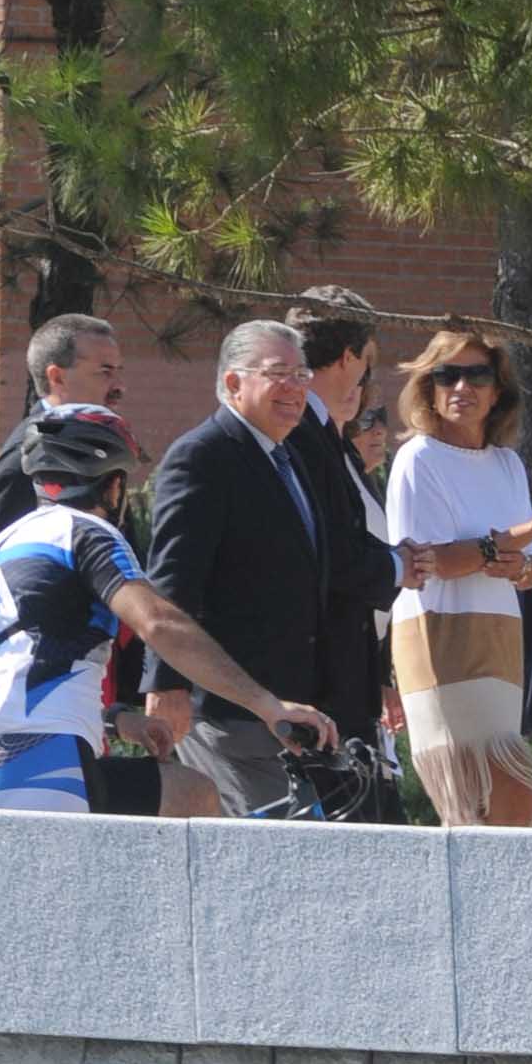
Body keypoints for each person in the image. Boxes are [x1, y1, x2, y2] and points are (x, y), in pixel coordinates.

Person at [0, 403, 334, 815]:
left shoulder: (7, 542)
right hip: (43, 758)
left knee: (191, 793)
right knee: (191, 800)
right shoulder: (88, 533)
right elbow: (158, 623)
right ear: (113, 486)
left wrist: (118, 720)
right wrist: (269, 706)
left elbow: (27, 662)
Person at [145, 322, 338, 820]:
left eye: (302, 374)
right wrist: (167, 683)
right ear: (233, 382)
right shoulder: (202, 456)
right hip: (225, 712)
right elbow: (173, 581)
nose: (295, 387)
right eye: (278, 374)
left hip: (285, 710)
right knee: (271, 851)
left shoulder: (290, 458)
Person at [386, 327, 532, 826]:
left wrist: (517, 561)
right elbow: (430, 563)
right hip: (440, 637)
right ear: (428, 388)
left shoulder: (507, 464)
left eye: (477, 376)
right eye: (446, 375)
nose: (461, 387)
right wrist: (528, 532)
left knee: (502, 804)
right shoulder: (419, 458)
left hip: (500, 636)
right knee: (492, 796)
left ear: (498, 391)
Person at [285, 289, 409, 818]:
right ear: (348, 357)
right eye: (366, 362)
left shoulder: (330, 440)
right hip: (318, 683)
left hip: (351, 675)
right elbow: (332, 555)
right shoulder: (301, 435)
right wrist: (402, 566)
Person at [0, 313, 127, 545]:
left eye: (118, 371)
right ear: (57, 377)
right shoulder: (24, 456)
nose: (120, 387)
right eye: (105, 372)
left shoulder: (104, 447)